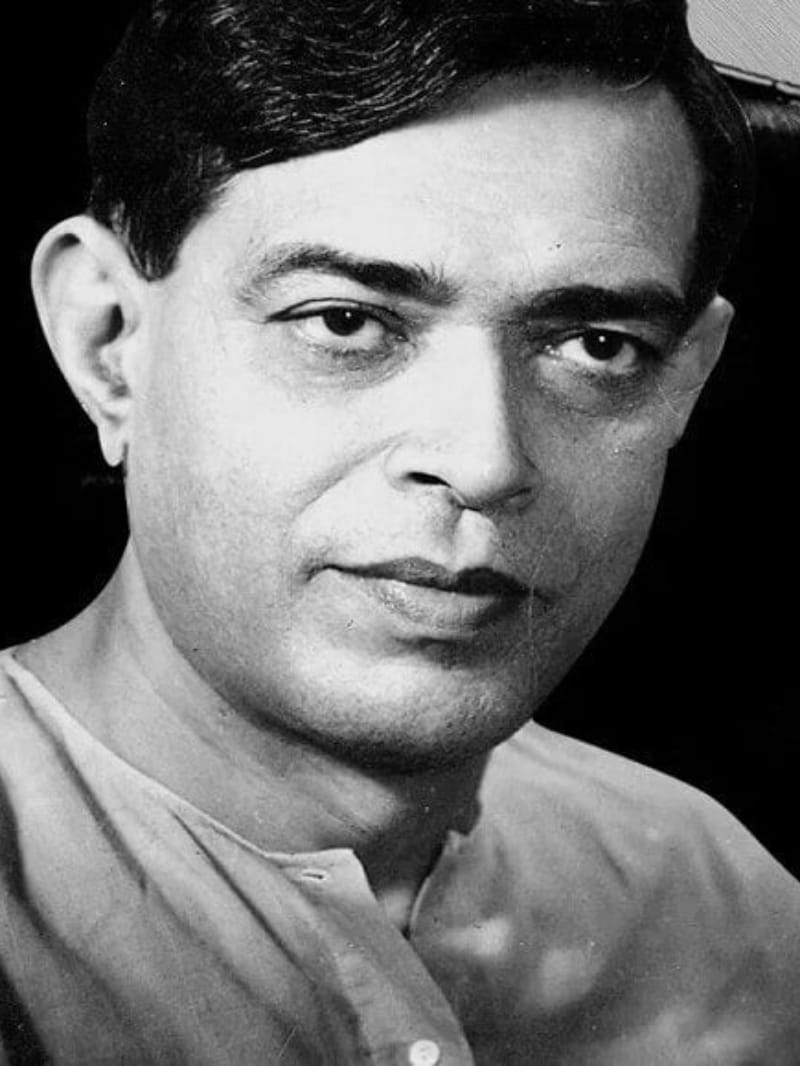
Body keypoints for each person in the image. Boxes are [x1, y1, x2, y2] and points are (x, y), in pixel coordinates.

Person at [1, 0, 798, 1062]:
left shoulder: (723, 904)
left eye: (597, 345)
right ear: (107, 343)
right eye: (344, 321)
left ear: (684, 382)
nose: (485, 460)